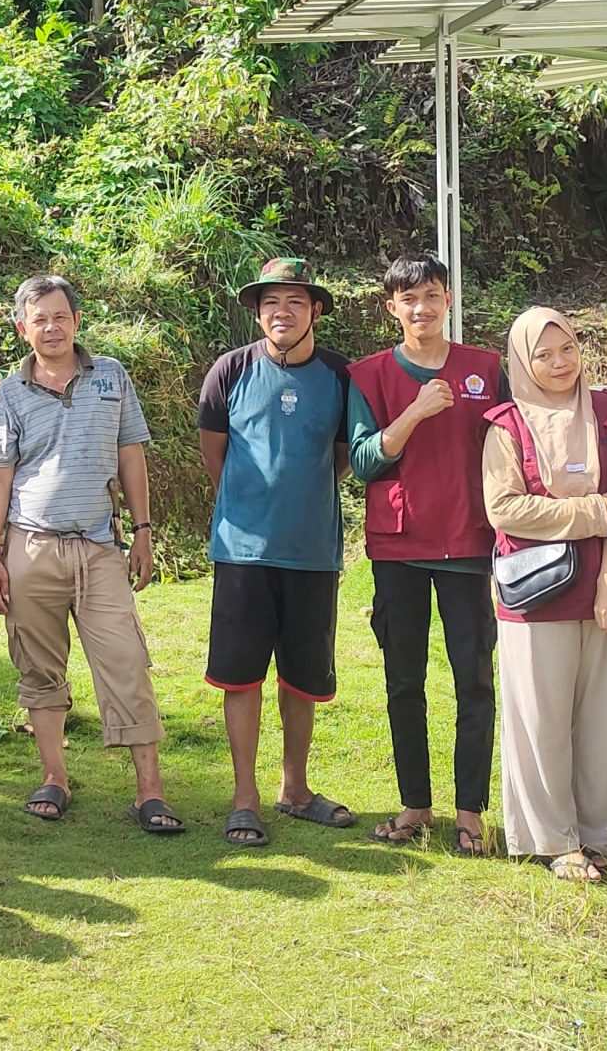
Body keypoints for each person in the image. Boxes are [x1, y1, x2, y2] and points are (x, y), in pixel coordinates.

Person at [0, 274, 181, 833]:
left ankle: (150, 791)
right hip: (31, 546)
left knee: (126, 661)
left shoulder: (111, 375)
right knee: (38, 666)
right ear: (22, 328)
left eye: (60, 316)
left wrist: (143, 529)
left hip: (99, 546)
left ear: (76, 321)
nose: (51, 327)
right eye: (39, 319)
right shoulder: (8, 393)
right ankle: (54, 777)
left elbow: (131, 453)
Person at [344, 253, 505, 854]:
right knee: (403, 681)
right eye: (409, 299)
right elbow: (363, 461)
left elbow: (514, 445)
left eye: (432, 296)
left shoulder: (485, 368)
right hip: (400, 547)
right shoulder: (368, 375)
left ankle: (470, 811)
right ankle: (415, 805)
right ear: (392, 307)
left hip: (468, 544)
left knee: (475, 681)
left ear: (448, 301)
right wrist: (413, 412)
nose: (422, 308)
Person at [482, 306, 607, 884]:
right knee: (541, 720)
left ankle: (602, 836)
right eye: (543, 355)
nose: (559, 363)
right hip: (536, 594)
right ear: (522, 363)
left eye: (567, 349)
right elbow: (504, 508)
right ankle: (552, 838)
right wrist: (595, 512)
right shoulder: (506, 425)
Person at [198, 256, 353, 848]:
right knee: (241, 676)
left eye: (294, 301)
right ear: (257, 313)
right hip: (242, 551)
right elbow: (214, 452)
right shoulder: (231, 370)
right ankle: (245, 798)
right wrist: (251, 504)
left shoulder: (340, 375)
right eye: (270, 303)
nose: (281, 312)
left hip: (312, 551)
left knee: (302, 676)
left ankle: (296, 789)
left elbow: (344, 456)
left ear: (315, 310)